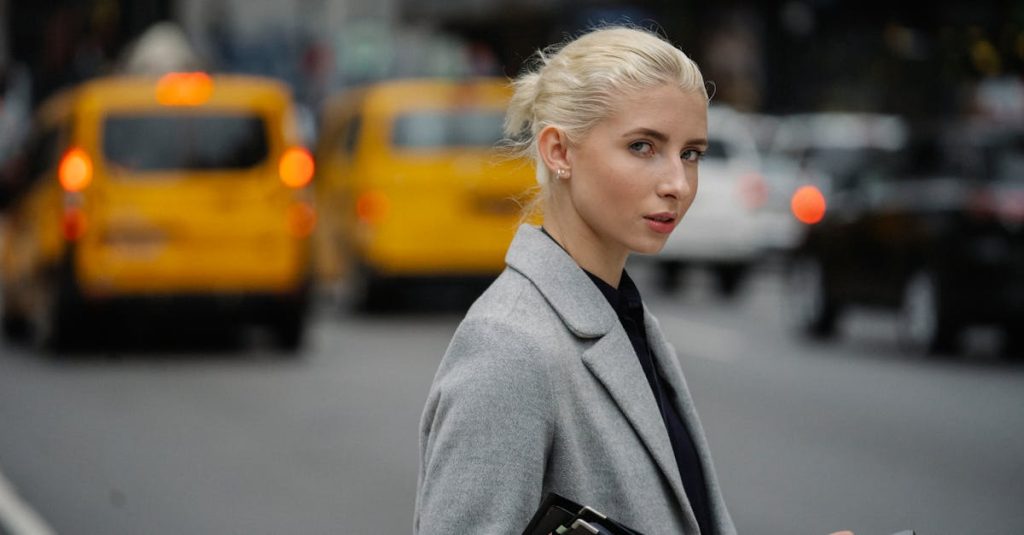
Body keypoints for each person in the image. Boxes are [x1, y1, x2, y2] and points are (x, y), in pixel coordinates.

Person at [415, 26, 726, 534]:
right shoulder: (510, 344)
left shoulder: (621, 314)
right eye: (644, 146)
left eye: (691, 153)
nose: (677, 183)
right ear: (559, 152)